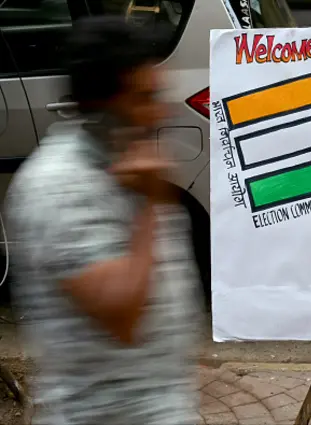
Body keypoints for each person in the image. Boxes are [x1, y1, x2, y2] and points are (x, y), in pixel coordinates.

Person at [5, 16, 201, 425]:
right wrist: (150, 204)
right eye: (144, 98)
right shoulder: (60, 186)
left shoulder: (128, 161)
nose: (160, 111)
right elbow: (121, 314)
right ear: (101, 107)